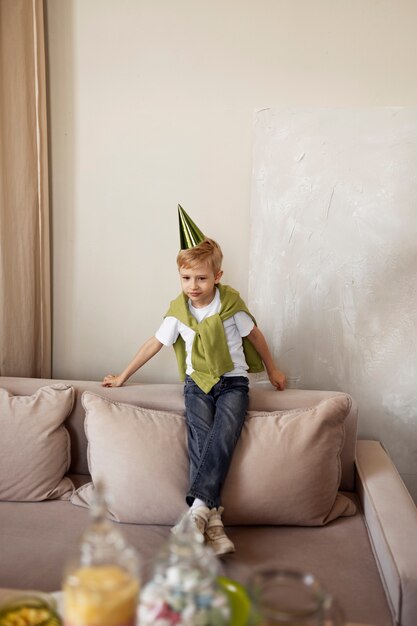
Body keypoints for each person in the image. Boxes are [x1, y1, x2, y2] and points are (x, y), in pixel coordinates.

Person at [103, 210, 286, 556]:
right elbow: (153, 344)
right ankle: (213, 524)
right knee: (201, 438)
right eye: (186, 278)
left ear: (217, 276)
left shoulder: (231, 306)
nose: (193, 287)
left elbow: (256, 337)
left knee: (225, 433)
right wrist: (122, 375)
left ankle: (196, 513)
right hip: (196, 384)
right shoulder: (178, 311)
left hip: (232, 382)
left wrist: (273, 370)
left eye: (201, 279)